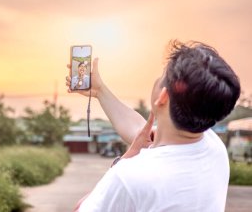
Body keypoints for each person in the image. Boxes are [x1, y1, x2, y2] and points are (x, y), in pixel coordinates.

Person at [66, 40, 240, 212]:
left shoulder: (129, 178)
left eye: (162, 76)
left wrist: (123, 160)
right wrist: (100, 90)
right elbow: (139, 130)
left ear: (163, 96)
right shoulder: (214, 148)